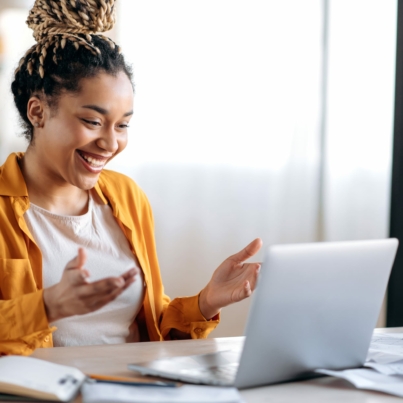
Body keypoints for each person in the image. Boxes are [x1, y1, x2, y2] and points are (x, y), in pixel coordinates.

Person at [0, 0, 262, 356]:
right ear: (38, 112)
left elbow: (150, 329)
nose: (111, 143)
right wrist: (46, 307)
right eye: (93, 121)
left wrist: (204, 303)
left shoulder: (126, 197)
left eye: (122, 125)